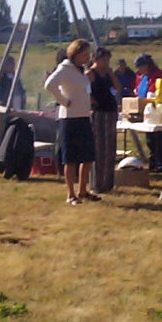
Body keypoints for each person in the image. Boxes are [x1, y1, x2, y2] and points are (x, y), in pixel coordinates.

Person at [45, 39, 101, 205]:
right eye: (84, 54)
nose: (87, 57)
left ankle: (83, 190)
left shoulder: (80, 70)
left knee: (88, 156)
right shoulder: (64, 69)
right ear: (74, 54)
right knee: (70, 158)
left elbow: (82, 89)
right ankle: (71, 194)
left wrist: (88, 79)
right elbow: (49, 84)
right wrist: (63, 101)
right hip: (69, 118)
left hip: (84, 116)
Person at [86, 47, 121, 193]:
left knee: (109, 147)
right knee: (99, 147)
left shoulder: (107, 74)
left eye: (107, 60)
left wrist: (112, 75)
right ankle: (96, 183)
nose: (106, 63)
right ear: (95, 60)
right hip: (98, 112)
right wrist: (92, 101)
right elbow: (85, 90)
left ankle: (108, 183)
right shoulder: (90, 74)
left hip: (110, 110)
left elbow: (118, 88)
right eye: (103, 60)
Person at [134, 53, 162, 172]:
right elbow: (138, 90)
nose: (138, 70)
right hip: (145, 111)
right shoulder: (141, 76)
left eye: (140, 67)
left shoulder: (158, 75)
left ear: (147, 65)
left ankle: (161, 162)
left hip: (157, 110)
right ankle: (153, 160)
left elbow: (160, 92)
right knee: (149, 138)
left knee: (157, 137)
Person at [0, 55, 27, 152]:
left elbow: (21, 89)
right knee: (3, 131)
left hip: (17, 105)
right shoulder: (1, 78)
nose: (13, 66)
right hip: (5, 107)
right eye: (10, 64)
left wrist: (23, 97)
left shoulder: (16, 76)